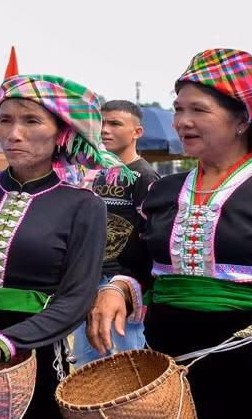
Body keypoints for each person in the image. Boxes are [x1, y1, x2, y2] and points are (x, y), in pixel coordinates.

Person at [87, 49, 252, 418]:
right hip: (165, 359)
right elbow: (138, 265)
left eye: (198, 110)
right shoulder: (163, 192)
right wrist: (115, 288)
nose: (181, 122)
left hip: (250, 359)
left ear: (241, 120)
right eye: (178, 109)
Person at [0, 75, 132, 417]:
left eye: (31, 121)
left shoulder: (82, 205)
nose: (13, 134)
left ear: (62, 132)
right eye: (5, 120)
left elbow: (75, 301)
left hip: (33, 352)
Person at [72, 100, 159, 368]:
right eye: (102, 124)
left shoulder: (145, 177)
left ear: (137, 132)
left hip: (122, 283)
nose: (105, 130)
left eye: (115, 124)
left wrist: (134, 284)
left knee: (126, 361)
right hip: (92, 277)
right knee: (87, 361)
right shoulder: (100, 175)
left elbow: (151, 236)